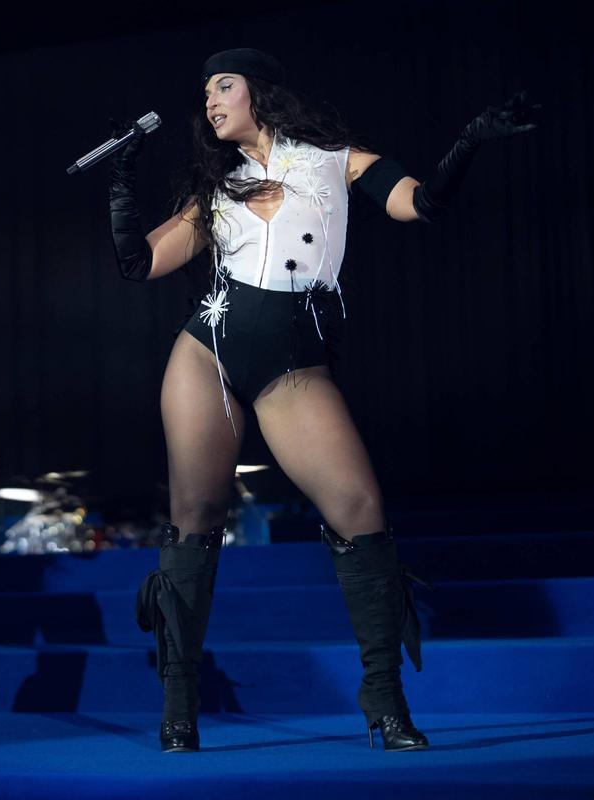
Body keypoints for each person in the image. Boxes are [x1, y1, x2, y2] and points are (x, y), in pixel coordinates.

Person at [118, 48, 538, 753]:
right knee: (197, 517)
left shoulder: (333, 160)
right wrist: (122, 185)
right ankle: (179, 704)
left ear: (260, 90)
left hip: (294, 366)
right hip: (209, 354)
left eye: (224, 85)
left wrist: (466, 144)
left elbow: (419, 204)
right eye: (206, 91)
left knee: (360, 509)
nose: (211, 100)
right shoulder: (221, 187)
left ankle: (386, 701)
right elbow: (140, 263)